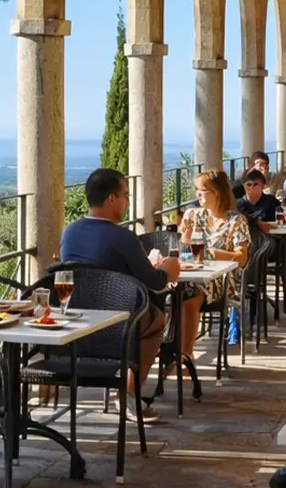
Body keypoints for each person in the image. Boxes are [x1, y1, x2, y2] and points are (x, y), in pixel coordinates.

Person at [58, 168, 182, 421]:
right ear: (111, 199)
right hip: (118, 322)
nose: (128, 202)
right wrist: (169, 269)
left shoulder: (69, 231)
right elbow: (154, 282)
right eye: (126, 195)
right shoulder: (124, 237)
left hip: (77, 320)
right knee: (157, 320)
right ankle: (128, 393)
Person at [178, 169, 252, 372]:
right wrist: (185, 235)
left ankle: (185, 356)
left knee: (190, 292)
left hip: (223, 279)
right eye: (197, 189)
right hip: (194, 273)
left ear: (217, 192)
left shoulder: (236, 221)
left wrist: (214, 253)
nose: (197, 194)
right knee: (168, 289)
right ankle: (170, 351)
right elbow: (185, 253)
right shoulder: (193, 215)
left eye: (202, 190)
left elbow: (242, 258)